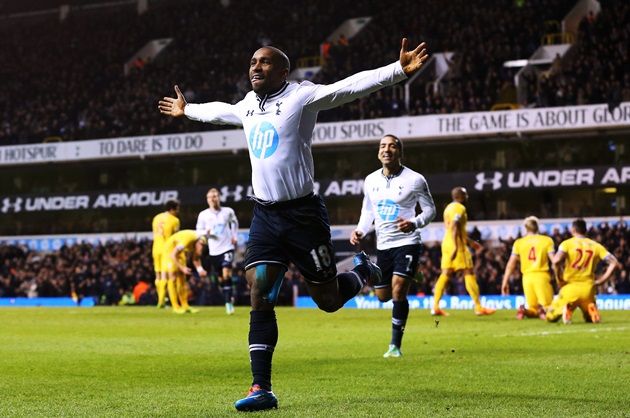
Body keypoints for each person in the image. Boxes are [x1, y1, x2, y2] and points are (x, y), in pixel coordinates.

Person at [158, 38, 429, 411]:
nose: (256, 67)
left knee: (329, 301)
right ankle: (261, 388)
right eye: (253, 61)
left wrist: (397, 71)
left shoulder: (302, 97)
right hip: (265, 215)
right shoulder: (249, 105)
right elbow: (221, 111)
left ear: (283, 71)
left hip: (303, 216)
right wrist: (188, 110)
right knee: (259, 291)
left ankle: (363, 271)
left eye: (265, 62)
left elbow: (347, 87)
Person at [350, 134, 435, 358]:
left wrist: (414, 223)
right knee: (382, 296)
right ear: (378, 152)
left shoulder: (415, 179)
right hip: (384, 244)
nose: (386, 149)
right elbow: (368, 210)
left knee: (398, 290)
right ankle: (413, 272)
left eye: (392, 146)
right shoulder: (370, 180)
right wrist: (361, 230)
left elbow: (430, 211)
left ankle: (395, 345)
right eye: (382, 146)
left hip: (407, 241)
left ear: (400, 151)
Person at [432, 187, 495, 316]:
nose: (467, 197)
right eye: (465, 194)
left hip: (447, 243)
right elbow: (455, 226)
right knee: (469, 272)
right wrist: (456, 246)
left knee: (446, 273)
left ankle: (435, 307)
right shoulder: (459, 208)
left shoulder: (448, 208)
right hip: (456, 245)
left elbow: (455, 229)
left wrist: (471, 243)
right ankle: (478, 307)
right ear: (460, 196)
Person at [546, 219, 621, 324]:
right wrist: (602, 280)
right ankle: (591, 309)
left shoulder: (566, 244)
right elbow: (614, 262)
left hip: (570, 287)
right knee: (589, 319)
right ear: (585, 230)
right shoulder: (596, 246)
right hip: (588, 289)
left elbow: (556, 261)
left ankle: (568, 308)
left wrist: (559, 277)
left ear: (573, 230)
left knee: (550, 316)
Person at [500, 216, 554, 320]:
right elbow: (554, 261)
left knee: (533, 308)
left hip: (527, 278)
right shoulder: (547, 241)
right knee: (548, 308)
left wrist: (505, 282)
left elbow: (510, 264)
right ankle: (543, 311)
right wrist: (559, 275)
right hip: (541, 276)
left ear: (526, 228)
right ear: (537, 227)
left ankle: (523, 310)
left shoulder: (519, 243)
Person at [196, 188, 239, 315]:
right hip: (214, 251)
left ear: (219, 197)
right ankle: (228, 295)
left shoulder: (228, 211)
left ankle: (228, 304)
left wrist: (234, 236)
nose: (213, 199)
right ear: (207, 200)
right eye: (211, 197)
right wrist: (206, 233)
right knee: (221, 279)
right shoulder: (203, 215)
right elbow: (198, 231)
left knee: (226, 273)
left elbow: (234, 223)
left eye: (215, 196)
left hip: (227, 247)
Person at [161, 229, 208, 314]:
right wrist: (182, 268)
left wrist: (200, 270)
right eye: (201, 245)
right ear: (197, 241)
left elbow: (196, 258)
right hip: (169, 250)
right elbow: (172, 255)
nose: (201, 247)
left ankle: (185, 306)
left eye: (203, 245)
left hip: (179, 253)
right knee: (173, 276)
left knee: (182, 279)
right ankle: (175, 306)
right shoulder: (186, 241)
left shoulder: (196, 243)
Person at [151, 199, 180, 308]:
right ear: (172, 209)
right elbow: (176, 237)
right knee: (165, 275)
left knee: (157, 275)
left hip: (155, 248)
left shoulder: (156, 218)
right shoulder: (175, 220)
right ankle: (161, 301)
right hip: (166, 249)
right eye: (177, 209)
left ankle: (161, 300)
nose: (178, 211)